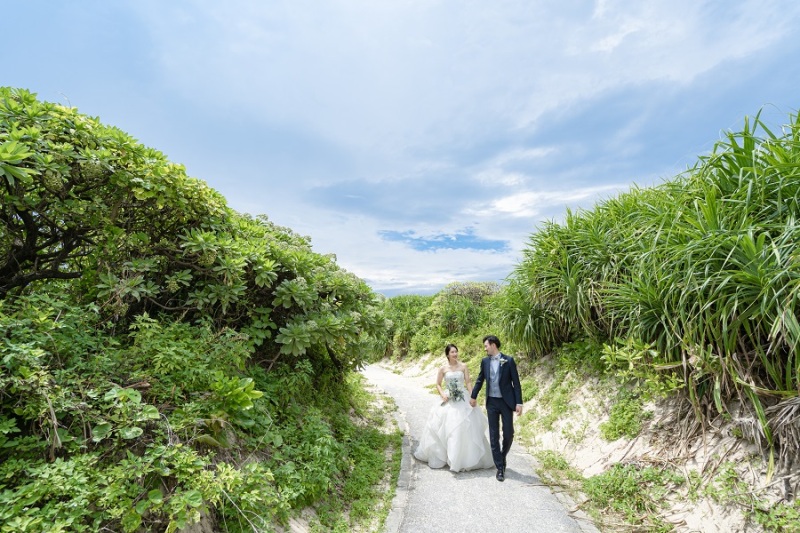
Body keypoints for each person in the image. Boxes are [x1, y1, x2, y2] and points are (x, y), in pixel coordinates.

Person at [414, 344, 494, 472]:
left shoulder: (463, 366)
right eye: (452, 352)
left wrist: (472, 396)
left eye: (456, 352)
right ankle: (445, 457)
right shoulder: (443, 368)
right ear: (447, 355)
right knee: (446, 427)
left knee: (465, 426)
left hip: (463, 398)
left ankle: (463, 459)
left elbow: (468, 382)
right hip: (448, 399)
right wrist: (443, 394)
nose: (455, 354)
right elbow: (438, 384)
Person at [469, 335, 523, 482]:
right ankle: (500, 467)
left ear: (493, 345)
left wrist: (519, 403)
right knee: (493, 435)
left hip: (506, 402)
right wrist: (473, 396)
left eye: (486, 345)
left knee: (509, 433)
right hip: (491, 402)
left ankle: (502, 456)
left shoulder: (509, 360)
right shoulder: (485, 361)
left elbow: (516, 383)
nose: (485, 348)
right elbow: (480, 379)